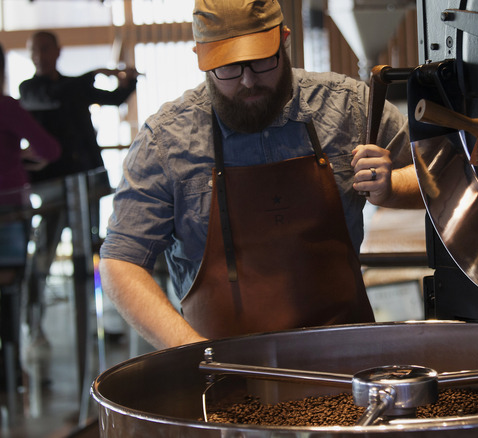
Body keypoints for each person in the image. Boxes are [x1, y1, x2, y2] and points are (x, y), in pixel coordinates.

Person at [99, 0, 423, 350]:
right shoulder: (166, 142)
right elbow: (121, 262)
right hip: (221, 369)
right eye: (228, 68)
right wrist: (194, 353)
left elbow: (443, 177)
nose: (248, 80)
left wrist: (391, 188)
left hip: (346, 358)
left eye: (261, 60)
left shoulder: (349, 107)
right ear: (200, 57)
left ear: (283, 39)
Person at [18, 30, 138, 342]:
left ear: (57, 51)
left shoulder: (74, 86)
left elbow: (112, 99)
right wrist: (96, 73)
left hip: (85, 183)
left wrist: (129, 81)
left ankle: (97, 325)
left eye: (45, 49)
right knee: (43, 255)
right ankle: (34, 327)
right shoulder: (30, 89)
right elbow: (54, 96)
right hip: (51, 187)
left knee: (88, 256)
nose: (39, 56)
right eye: (34, 50)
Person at [0, 42, 61, 392]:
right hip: (8, 215)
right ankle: (11, 375)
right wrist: (21, 156)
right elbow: (50, 149)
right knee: (8, 297)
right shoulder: (6, 106)